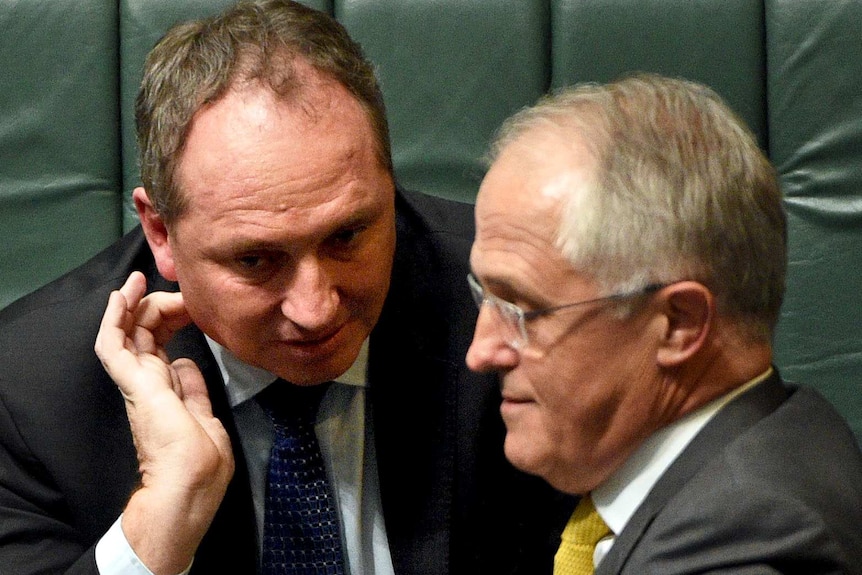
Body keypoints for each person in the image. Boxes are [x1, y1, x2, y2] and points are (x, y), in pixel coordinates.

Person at [0, 1, 570, 574]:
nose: (316, 309)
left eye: (348, 235)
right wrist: (156, 531)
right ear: (160, 232)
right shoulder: (31, 396)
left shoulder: (530, 307)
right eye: (255, 259)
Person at [465, 73, 862, 574]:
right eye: (484, 295)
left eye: (522, 309)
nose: (480, 351)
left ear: (679, 324)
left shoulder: (753, 544)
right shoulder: (776, 439)